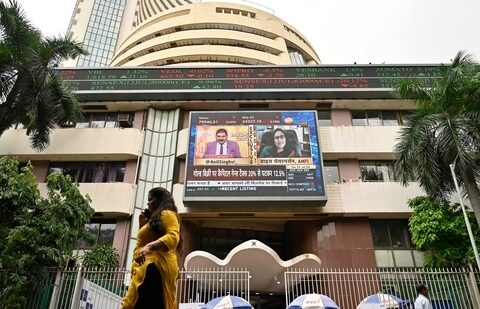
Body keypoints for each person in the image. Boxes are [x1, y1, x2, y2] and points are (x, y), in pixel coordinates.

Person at [121, 187, 182, 309]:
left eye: (151, 199)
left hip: (155, 267)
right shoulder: (151, 222)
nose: (148, 203)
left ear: (160, 200)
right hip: (143, 270)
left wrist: (149, 247)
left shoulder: (167, 214)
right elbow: (140, 247)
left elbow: (173, 237)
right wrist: (143, 225)